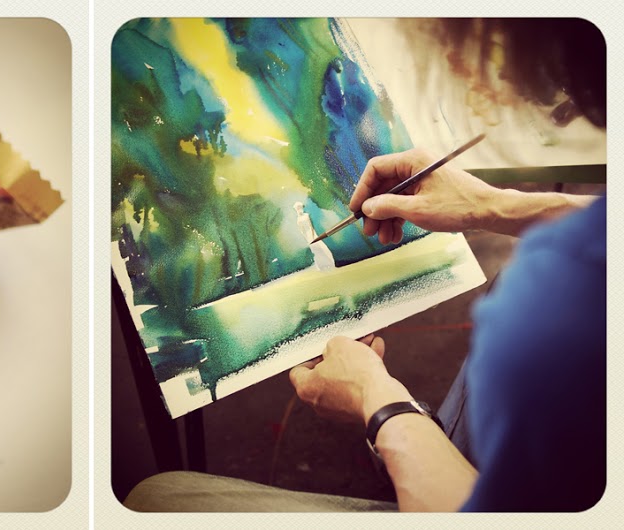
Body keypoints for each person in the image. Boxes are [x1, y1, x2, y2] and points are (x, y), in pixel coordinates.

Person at [127, 18, 604, 512]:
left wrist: (378, 402)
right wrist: (495, 206)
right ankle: (439, 444)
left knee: (156, 499)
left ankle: (425, 453)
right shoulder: (561, 292)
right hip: (525, 430)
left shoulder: (553, 309)